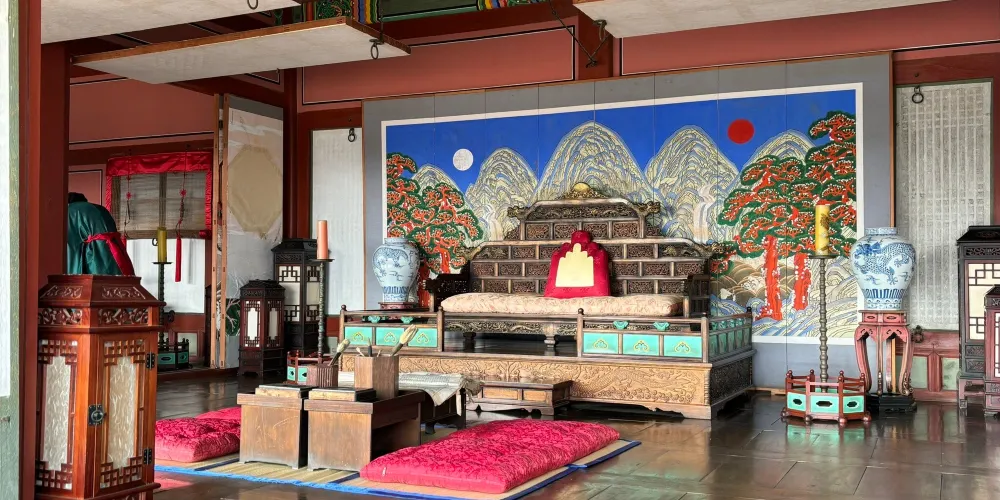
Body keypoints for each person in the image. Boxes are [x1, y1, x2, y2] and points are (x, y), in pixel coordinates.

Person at [66, 192, 135, 275]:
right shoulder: (101, 208)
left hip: (95, 251)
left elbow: (70, 243)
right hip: (115, 248)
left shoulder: (70, 210)